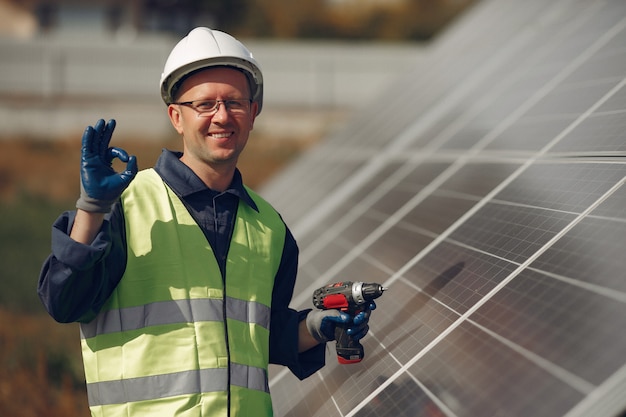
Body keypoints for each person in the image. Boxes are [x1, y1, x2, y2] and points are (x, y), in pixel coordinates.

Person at [38, 27, 375, 417]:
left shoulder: (270, 228)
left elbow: (251, 341)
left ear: (253, 112)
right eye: (205, 104)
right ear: (176, 117)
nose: (222, 116)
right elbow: (63, 302)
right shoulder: (126, 208)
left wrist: (316, 328)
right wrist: (91, 208)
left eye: (234, 102)